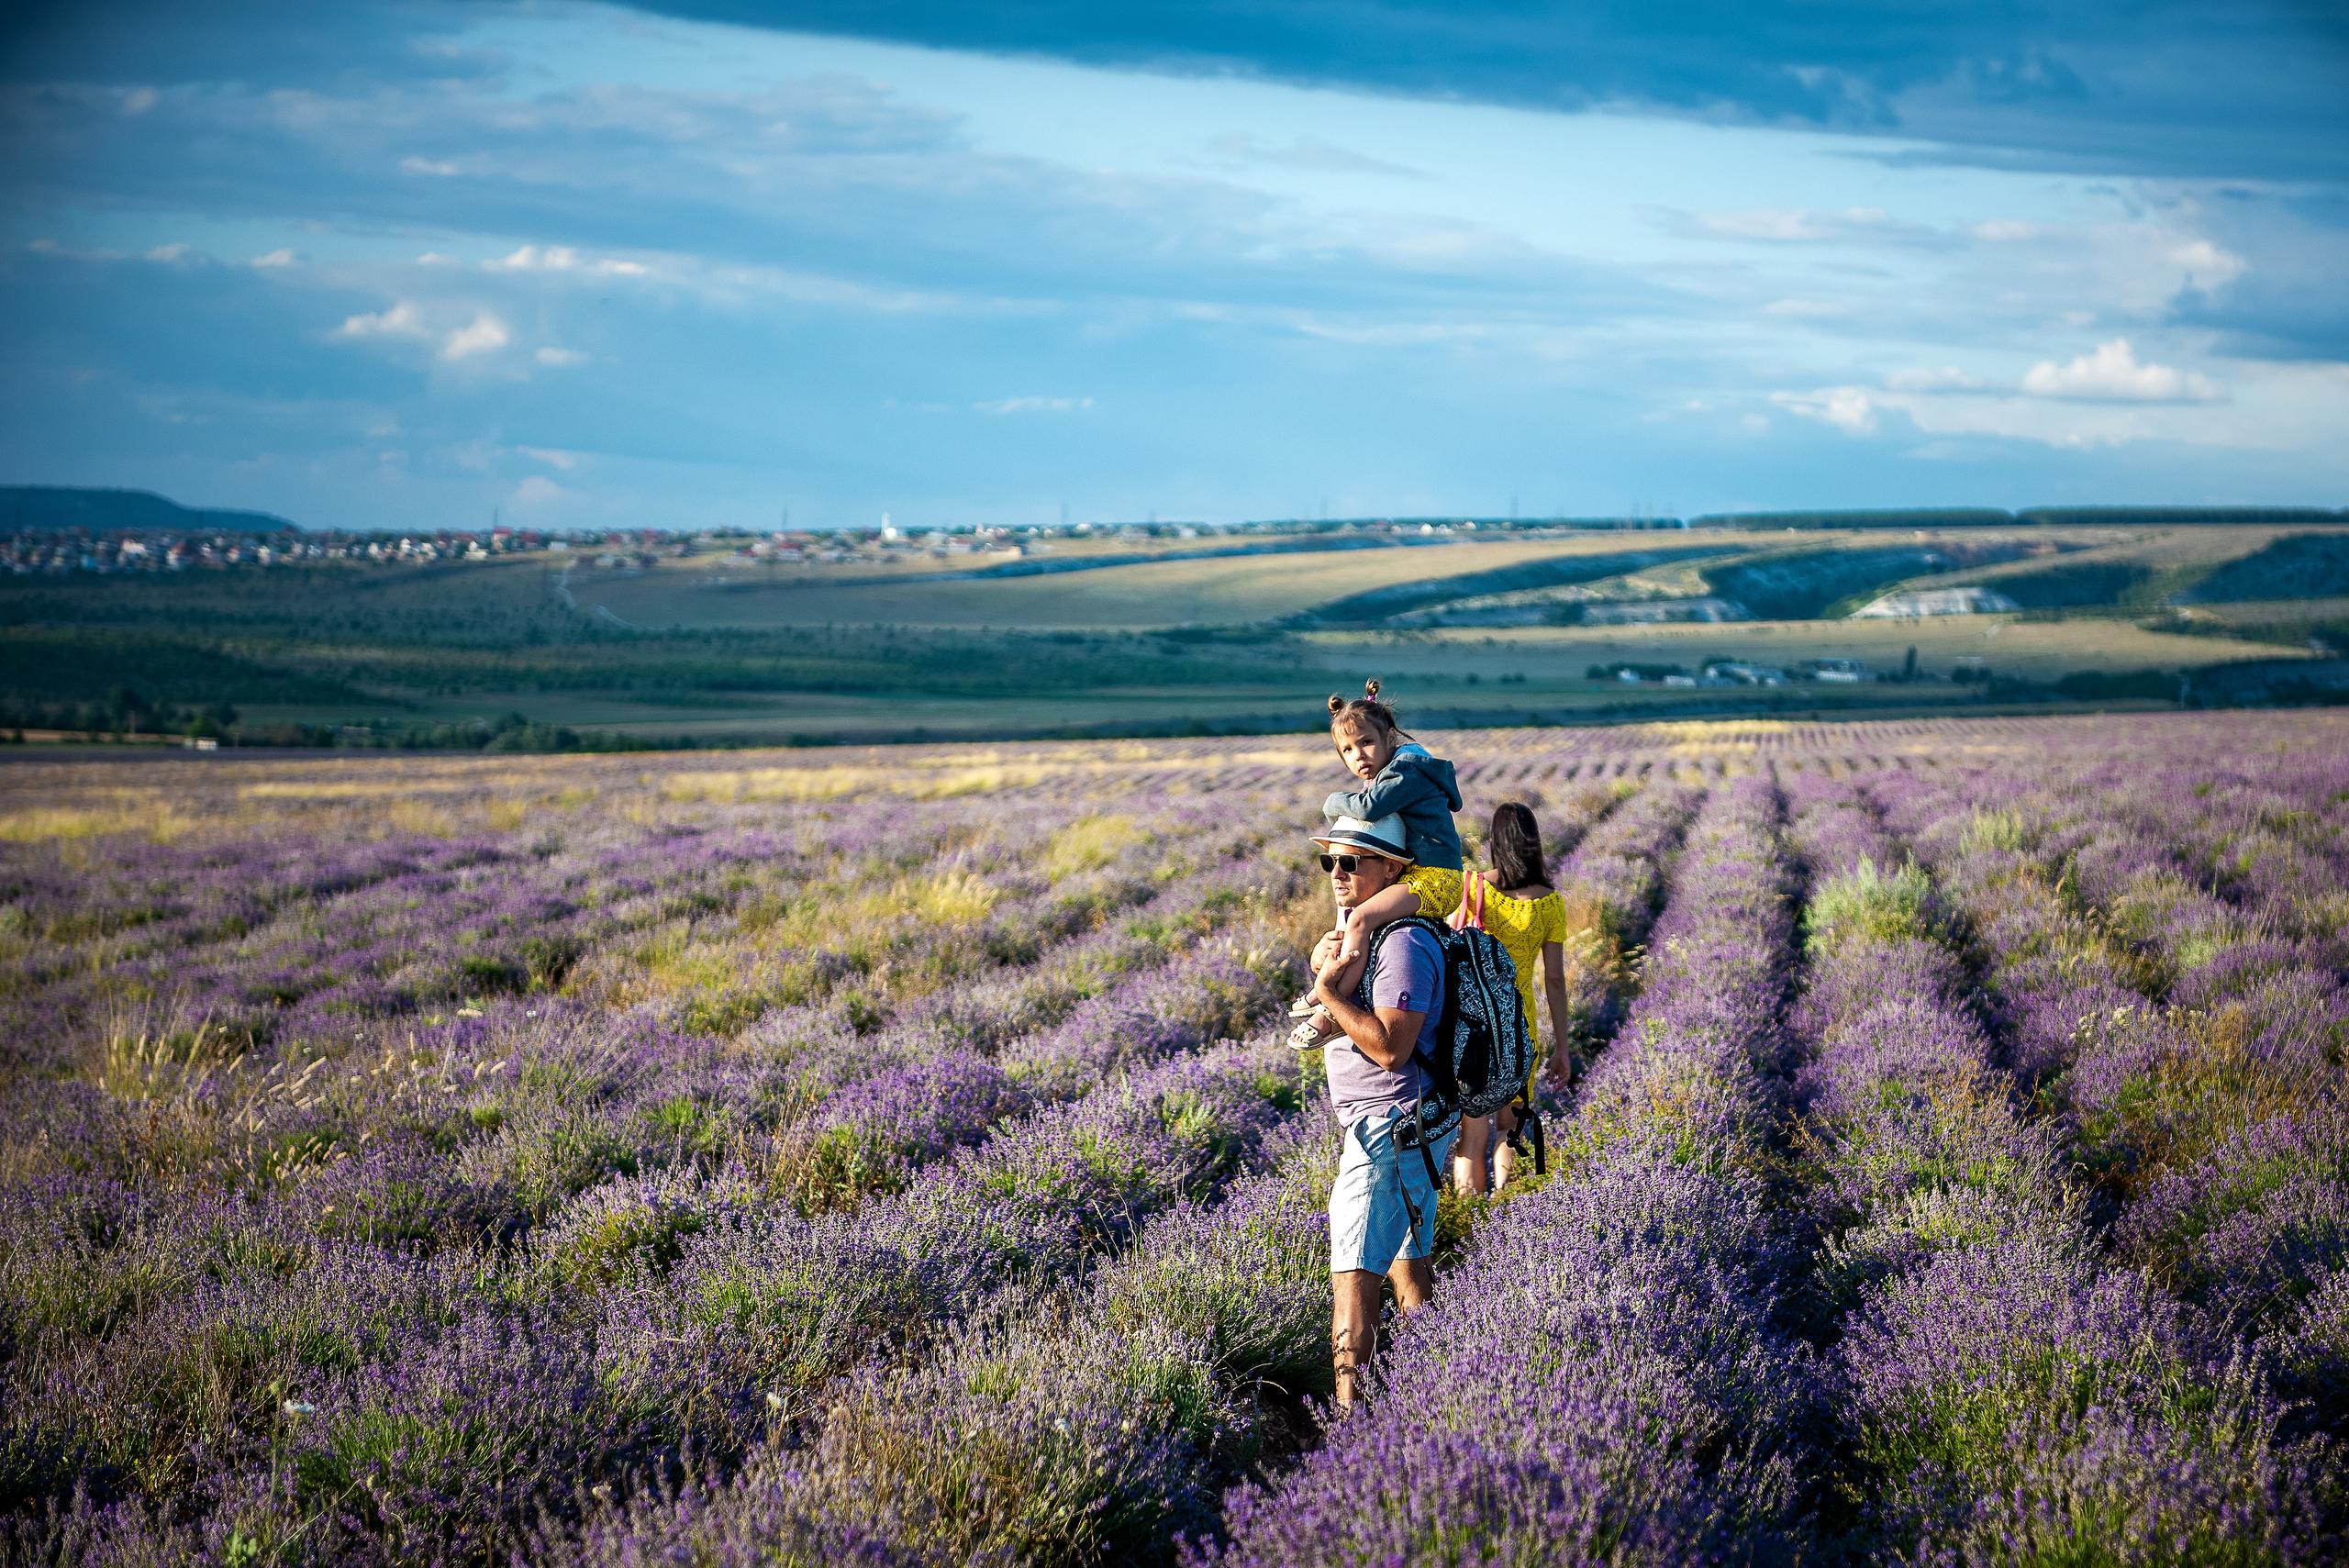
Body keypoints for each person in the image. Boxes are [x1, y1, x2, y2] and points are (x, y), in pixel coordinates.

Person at [1306, 812, 1459, 1407]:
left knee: (1352, 1277)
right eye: (1330, 862)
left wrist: (1327, 995)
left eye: (1352, 861)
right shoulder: (1365, 937)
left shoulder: (1402, 944)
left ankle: (1350, 1425)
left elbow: (1392, 1048)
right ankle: (1438, 1393)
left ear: (1393, 869)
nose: (1337, 873)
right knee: (1407, 1267)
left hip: (1390, 1127)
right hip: (1403, 1124)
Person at [1288, 680, 1464, 1050]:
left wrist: (1334, 801)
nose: (1358, 757)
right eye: (1347, 750)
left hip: (1436, 879)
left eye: (1366, 742)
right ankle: (1327, 987)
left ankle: (1332, 1010)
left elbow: (1367, 809)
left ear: (1389, 738)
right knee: (1347, 910)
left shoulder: (1406, 772)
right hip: (1418, 873)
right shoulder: (1393, 772)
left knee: (1361, 919)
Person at [1450, 803, 1576, 1194]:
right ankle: (1509, 1220)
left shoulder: (1472, 888)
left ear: (1495, 842)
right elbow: (1554, 980)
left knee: (1471, 1138)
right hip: (1520, 1028)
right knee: (1512, 1128)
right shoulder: (1550, 902)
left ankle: (1467, 1218)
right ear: (1533, 843)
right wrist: (1563, 1048)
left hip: (1474, 1026)